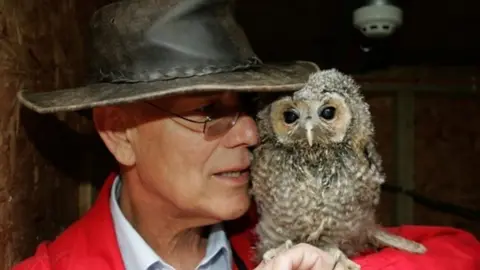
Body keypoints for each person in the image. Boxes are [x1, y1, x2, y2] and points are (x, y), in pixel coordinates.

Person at [13, 0, 480, 269]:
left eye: (247, 108)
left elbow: (460, 253)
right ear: (118, 132)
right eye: (208, 110)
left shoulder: (277, 226)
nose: (254, 133)